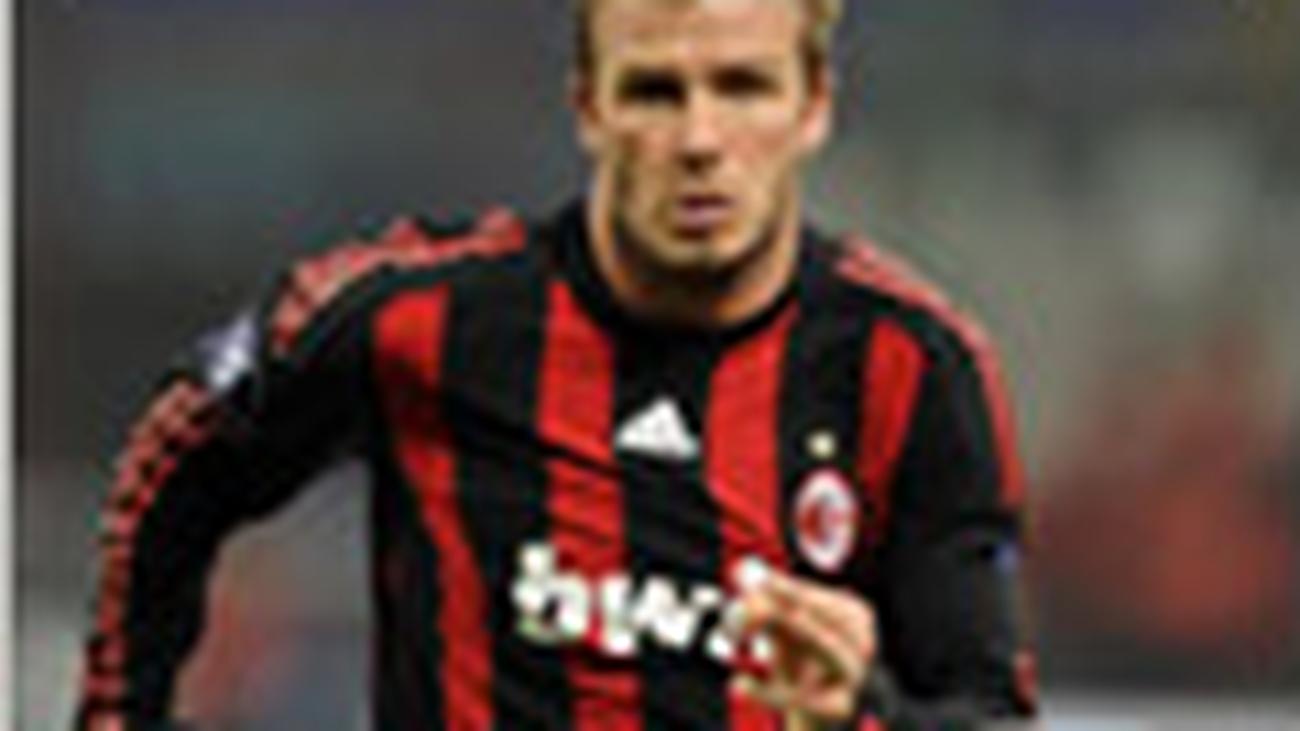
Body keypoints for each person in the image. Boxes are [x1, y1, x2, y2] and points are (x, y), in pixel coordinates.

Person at [75, 0, 1039, 728]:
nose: (699, 141)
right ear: (587, 106)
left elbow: (987, 712)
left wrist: (863, 714)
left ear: (814, 104)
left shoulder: (912, 365)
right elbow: (179, 449)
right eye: (654, 91)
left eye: (743, 86)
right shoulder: (419, 319)